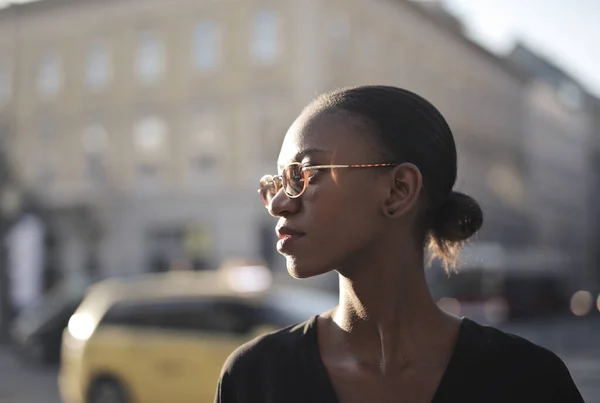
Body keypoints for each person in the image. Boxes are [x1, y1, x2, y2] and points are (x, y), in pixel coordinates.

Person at [215, 86, 584, 403]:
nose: (281, 203)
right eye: (277, 182)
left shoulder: (529, 382)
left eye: (305, 174)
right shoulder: (253, 378)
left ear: (399, 190)